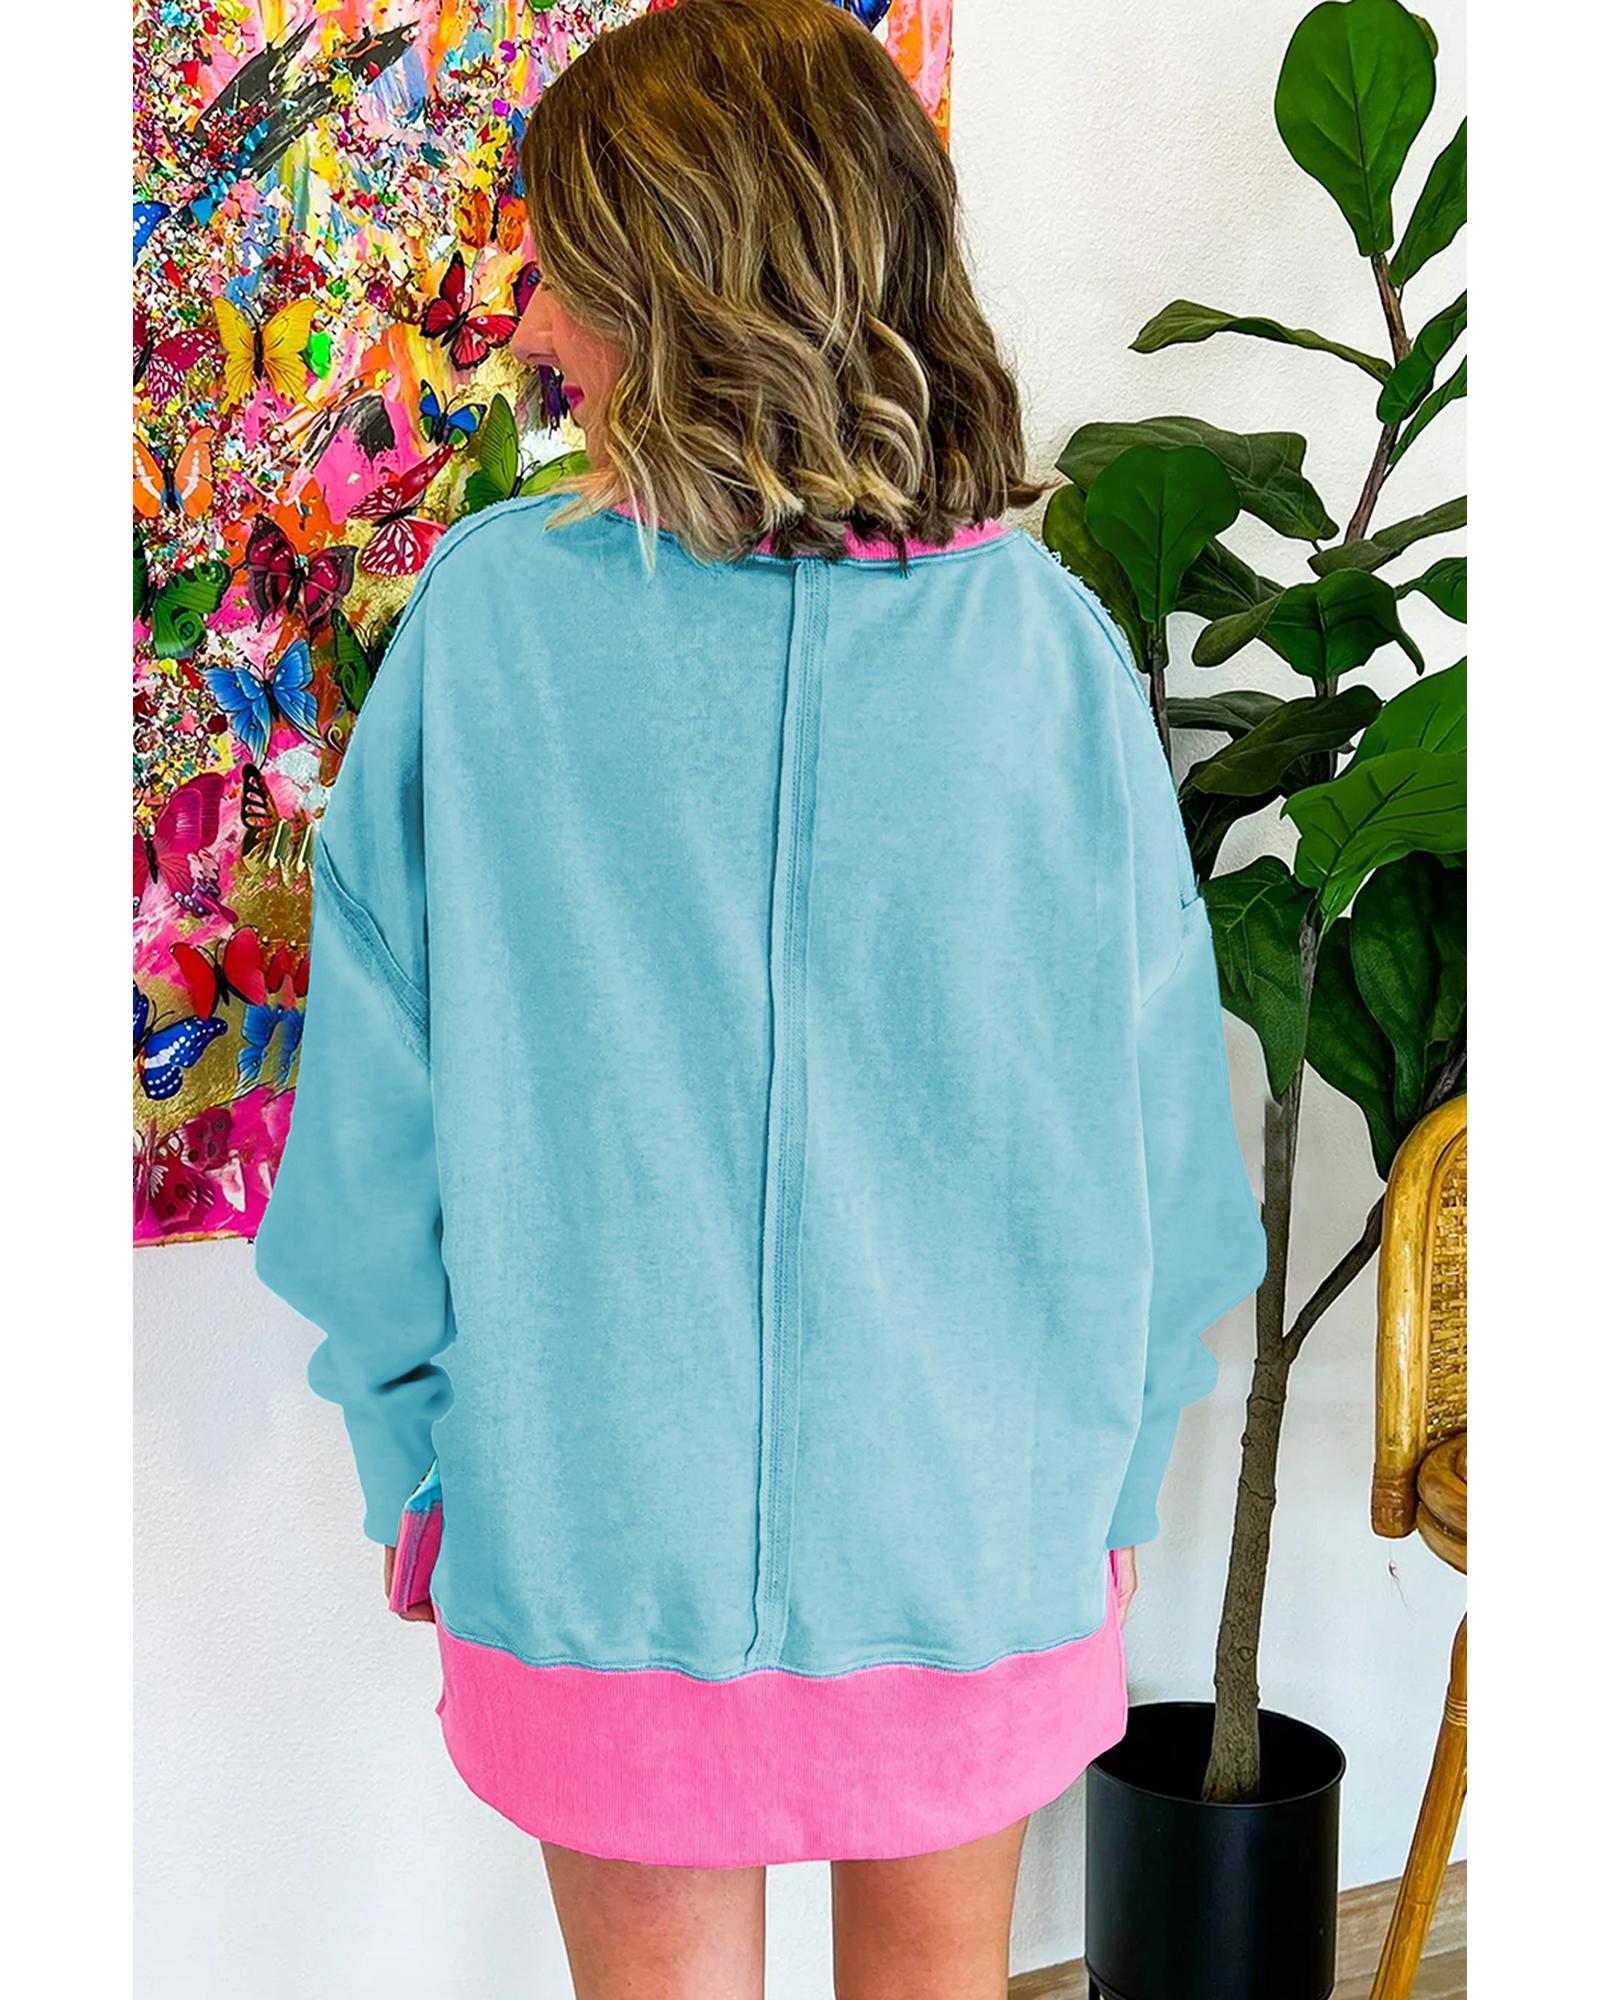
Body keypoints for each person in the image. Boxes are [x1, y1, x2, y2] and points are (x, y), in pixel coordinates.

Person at [254, 2, 1266, 1994]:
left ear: (679, 286)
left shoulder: (492, 625)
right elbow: (1155, 1136)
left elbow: (374, 1107)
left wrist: (419, 1459)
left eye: (560, 269)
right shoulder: (1048, 649)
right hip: (974, 1530)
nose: (529, 324)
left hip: (591, 1540)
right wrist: (1109, 1466)